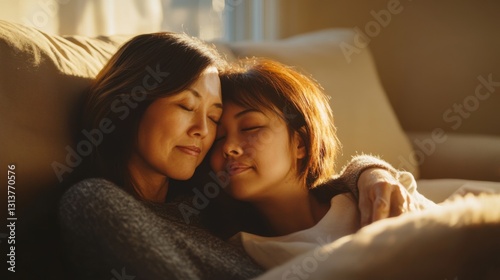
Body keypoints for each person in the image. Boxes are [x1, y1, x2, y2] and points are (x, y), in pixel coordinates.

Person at [59, 32, 419, 280]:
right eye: (186, 105)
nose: (206, 131)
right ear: (128, 106)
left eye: (213, 116)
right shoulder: (94, 201)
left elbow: (309, 196)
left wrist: (370, 171)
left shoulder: (209, 204)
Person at [209, 58, 436, 269]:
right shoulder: (242, 250)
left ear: (301, 143)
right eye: (218, 137)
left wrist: (370, 172)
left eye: (250, 128)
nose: (229, 147)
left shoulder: (374, 196)